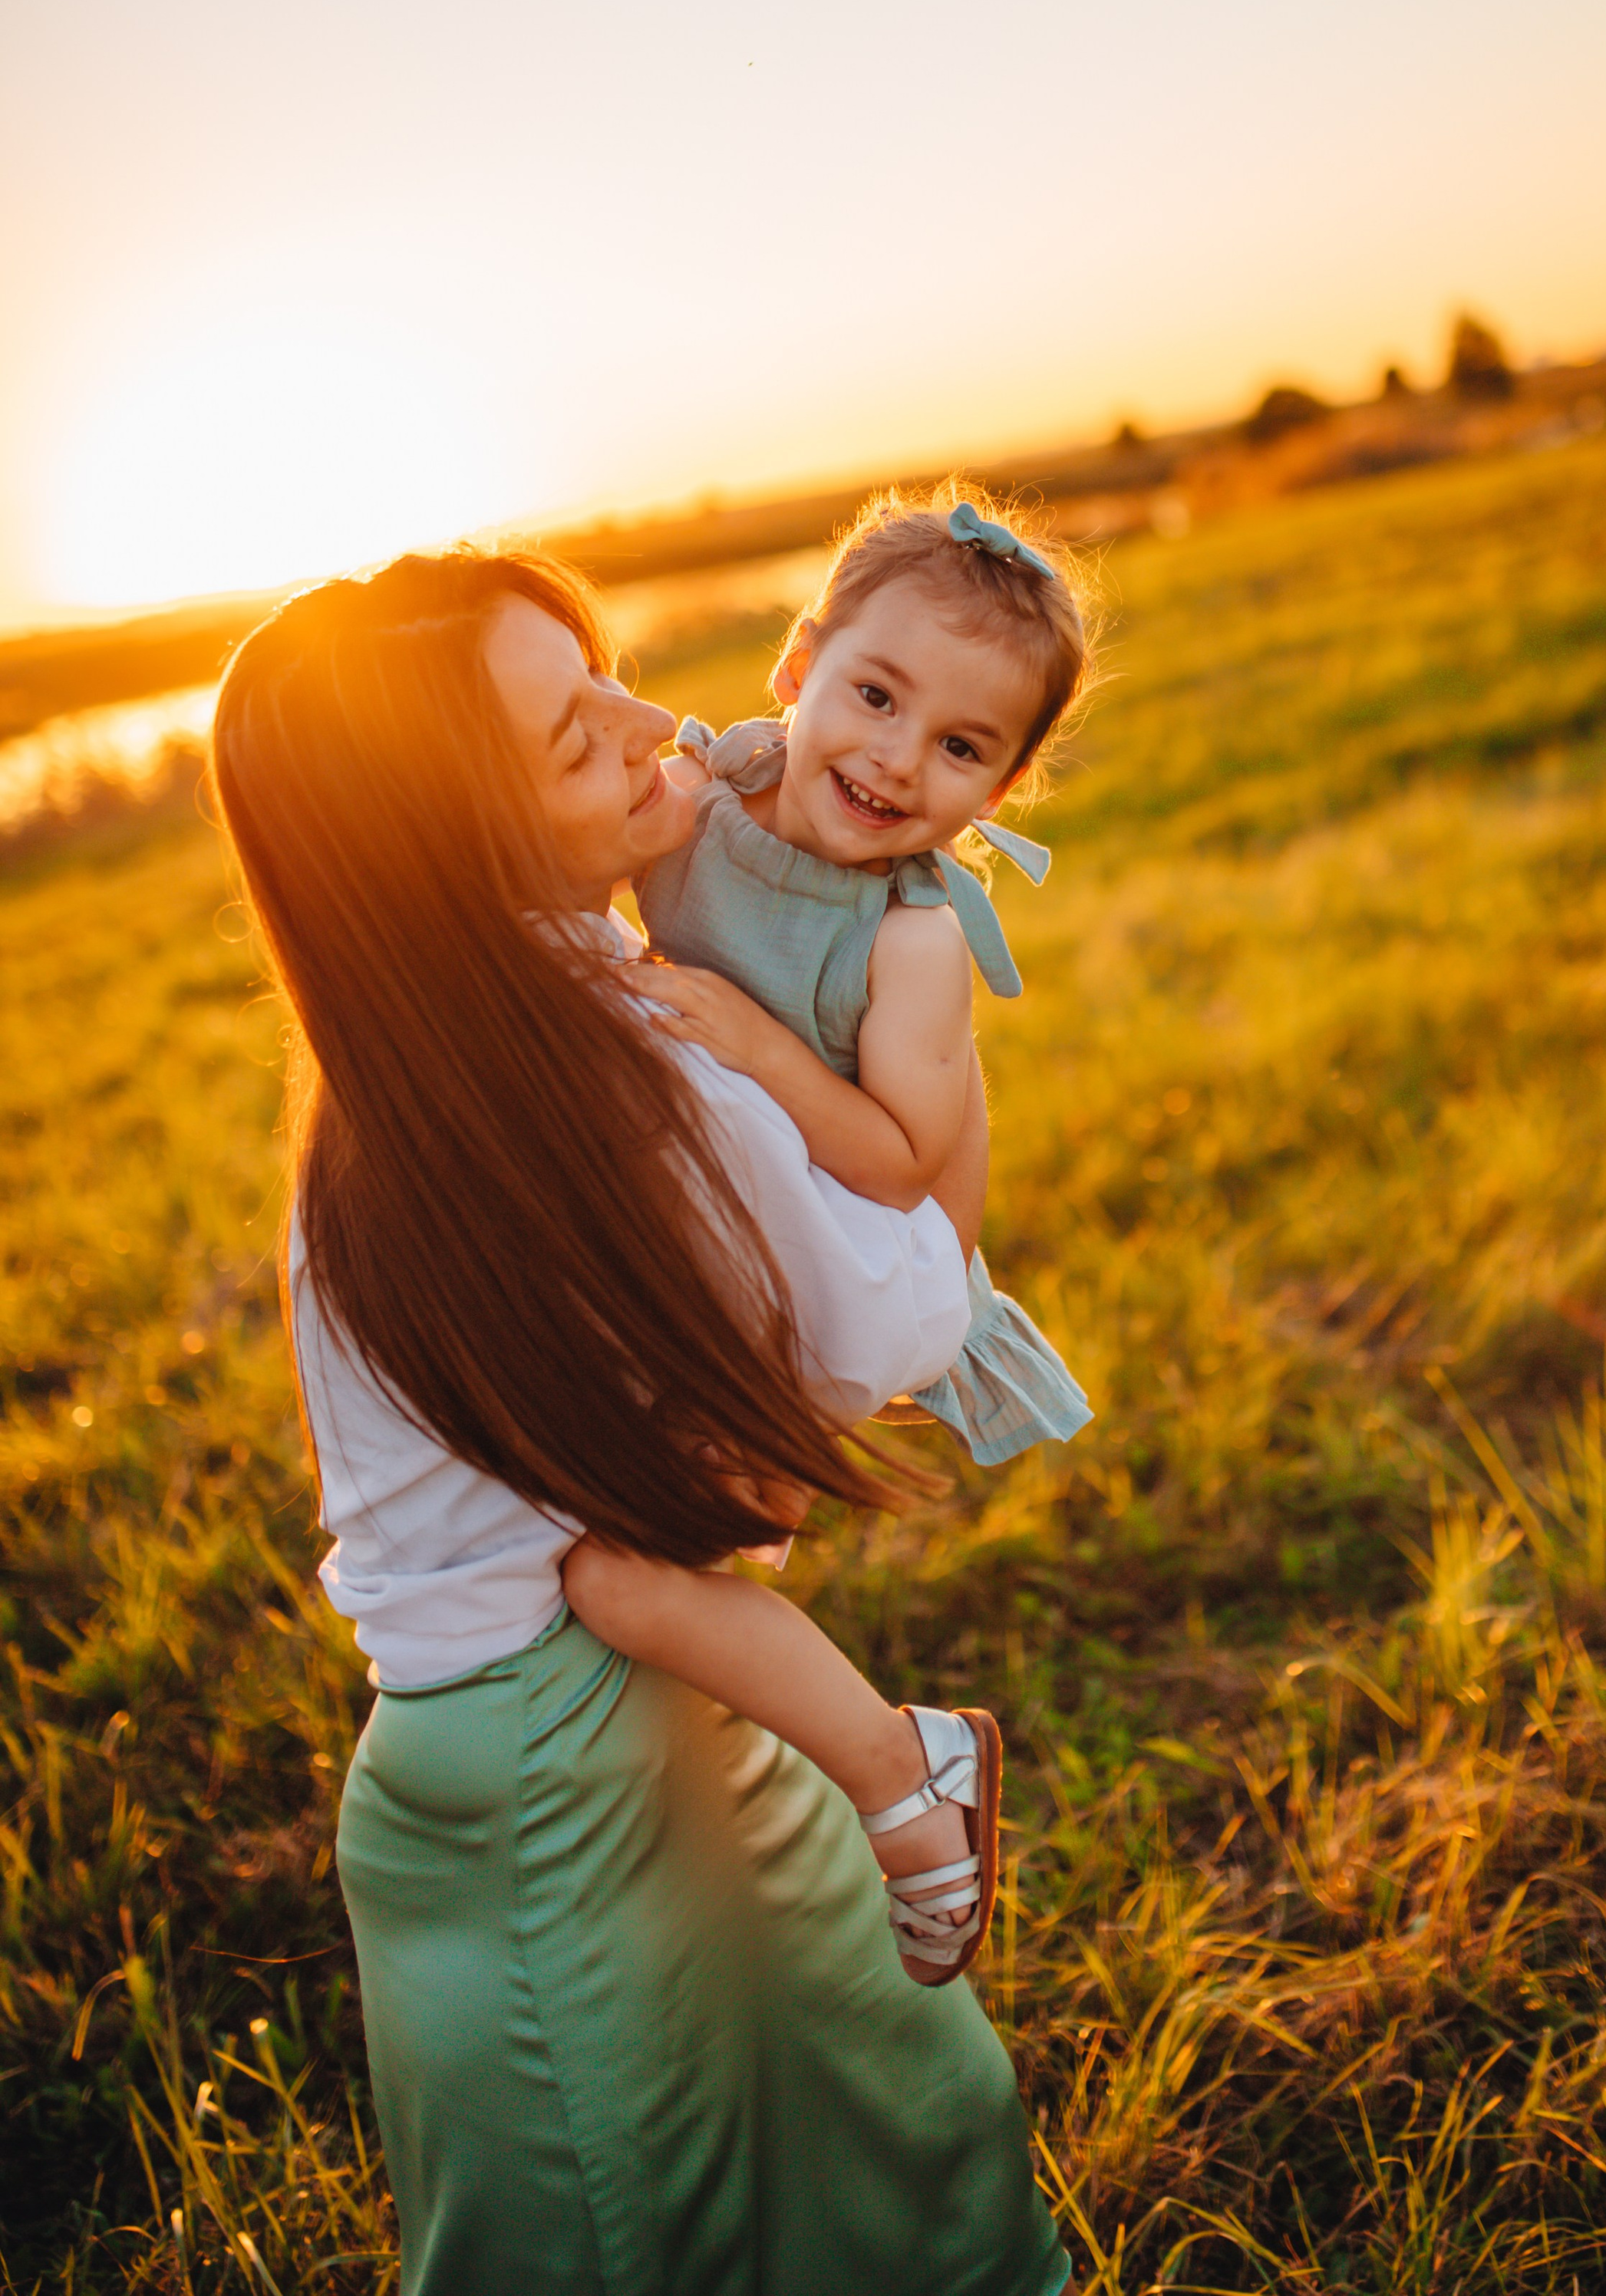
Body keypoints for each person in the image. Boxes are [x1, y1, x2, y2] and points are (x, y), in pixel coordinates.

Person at [211, 544, 1069, 2296]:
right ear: (446, 837)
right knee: (753, 2193)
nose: (644, 718)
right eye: (570, 733)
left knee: (873, 2124)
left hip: (578, 1730)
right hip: (552, 1784)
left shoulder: (408, 1074)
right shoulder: (633, 1050)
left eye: (602, 670)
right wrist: (937, 1092)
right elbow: (903, 1300)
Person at [566, 489, 1097, 1981]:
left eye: (961, 747)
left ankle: (902, 1776)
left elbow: (897, 1159)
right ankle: (746, 1792)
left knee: (633, 1571)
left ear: (1001, 789)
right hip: (741, 1245)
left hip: (857, 1273)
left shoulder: (911, 940)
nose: (896, 760)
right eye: (874, 696)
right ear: (796, 666)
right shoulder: (706, 794)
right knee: (655, 1563)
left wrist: (748, 1040)